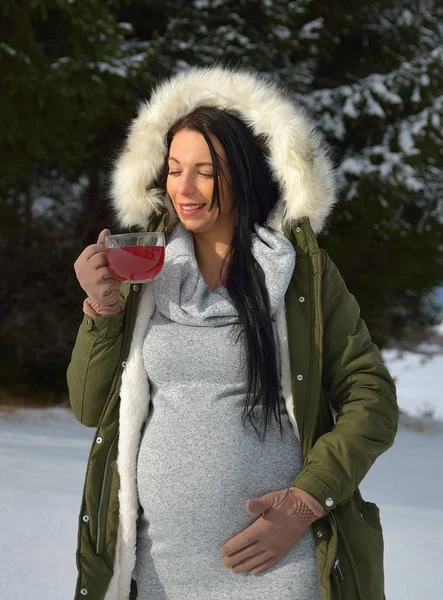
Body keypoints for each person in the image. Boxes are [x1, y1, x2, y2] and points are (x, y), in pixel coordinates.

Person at [68, 66, 398, 600]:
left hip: (279, 564)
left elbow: (373, 398)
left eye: (206, 170)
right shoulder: (142, 271)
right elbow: (89, 407)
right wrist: (102, 310)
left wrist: (303, 504)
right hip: (159, 567)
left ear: (242, 174)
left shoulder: (302, 277)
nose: (185, 188)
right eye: (174, 169)